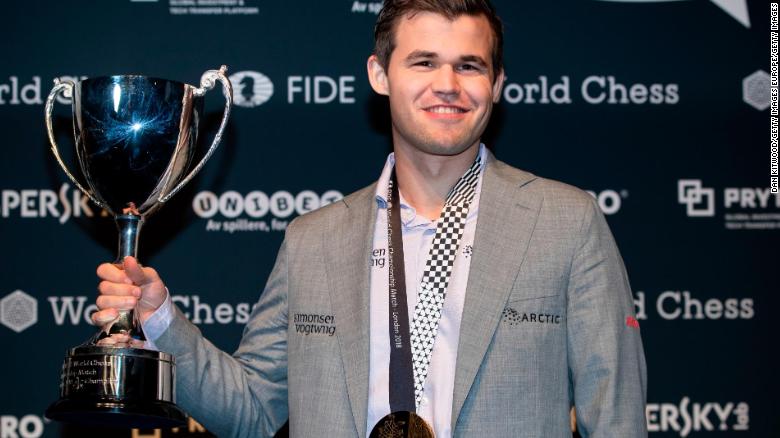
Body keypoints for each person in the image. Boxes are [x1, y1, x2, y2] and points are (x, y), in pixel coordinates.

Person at [93, 0, 647, 436]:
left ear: (497, 85)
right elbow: (252, 411)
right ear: (380, 74)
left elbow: (616, 420)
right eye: (424, 62)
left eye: (469, 66)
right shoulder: (314, 241)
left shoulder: (566, 222)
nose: (448, 85)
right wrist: (159, 318)